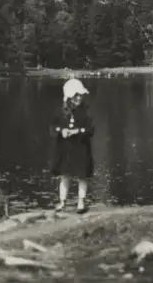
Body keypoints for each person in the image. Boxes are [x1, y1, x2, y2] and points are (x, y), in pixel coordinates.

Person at [51, 78, 94, 213]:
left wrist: (77, 131)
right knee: (65, 175)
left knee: (82, 175)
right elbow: (52, 127)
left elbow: (91, 130)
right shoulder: (60, 112)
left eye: (80, 95)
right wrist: (61, 131)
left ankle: (81, 200)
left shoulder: (86, 112)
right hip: (65, 149)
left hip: (81, 148)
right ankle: (62, 201)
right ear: (69, 96)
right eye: (76, 95)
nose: (79, 98)